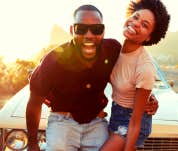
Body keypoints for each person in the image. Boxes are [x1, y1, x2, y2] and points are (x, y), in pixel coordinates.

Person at [26, 4, 157, 151]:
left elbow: (131, 74)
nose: (89, 35)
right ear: (72, 30)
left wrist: (148, 97)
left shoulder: (112, 50)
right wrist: (32, 144)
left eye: (96, 29)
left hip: (96, 122)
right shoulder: (54, 60)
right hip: (62, 122)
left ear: (103, 31)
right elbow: (34, 103)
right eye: (81, 29)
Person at [100, 0, 170, 151]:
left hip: (132, 121)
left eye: (145, 25)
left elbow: (135, 121)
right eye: (136, 17)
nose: (136, 23)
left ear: (149, 37)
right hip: (116, 113)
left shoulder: (144, 67)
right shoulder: (114, 50)